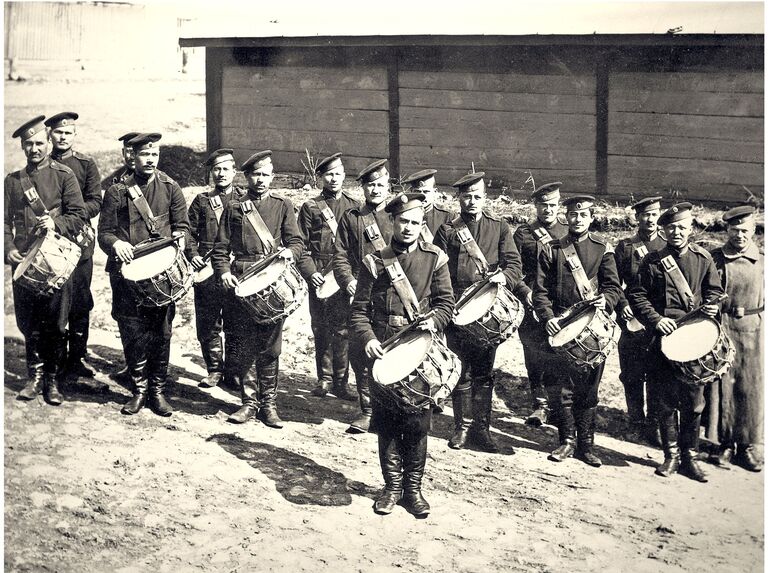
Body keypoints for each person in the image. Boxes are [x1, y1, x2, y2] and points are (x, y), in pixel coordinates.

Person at [349, 192, 455, 517]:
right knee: (386, 422)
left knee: (418, 423)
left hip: (419, 352)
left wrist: (434, 322)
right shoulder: (374, 262)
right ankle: (392, 487)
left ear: (422, 225)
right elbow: (359, 312)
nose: (408, 227)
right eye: (403, 221)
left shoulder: (435, 258)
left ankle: (413, 490)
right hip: (384, 352)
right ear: (393, 222)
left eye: (415, 222)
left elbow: (446, 304)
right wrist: (368, 339)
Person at [628, 202, 723, 482]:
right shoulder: (652, 261)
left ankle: (689, 457)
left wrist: (712, 306)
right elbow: (637, 295)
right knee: (664, 400)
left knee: (694, 402)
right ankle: (670, 456)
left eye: (681, 227)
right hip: (663, 340)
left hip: (694, 340)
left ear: (690, 228)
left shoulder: (703, 258)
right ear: (664, 230)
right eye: (671, 228)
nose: (676, 232)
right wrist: (656, 319)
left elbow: (714, 292)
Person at [211, 150, 305, 428]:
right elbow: (220, 249)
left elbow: (297, 242)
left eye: (265, 175)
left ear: (272, 177)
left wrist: (290, 253)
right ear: (247, 177)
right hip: (242, 281)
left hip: (271, 280)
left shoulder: (283, 205)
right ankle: (249, 403)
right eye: (256, 175)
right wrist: (224, 272)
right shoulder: (234, 208)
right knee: (244, 343)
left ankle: (269, 405)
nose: (261, 179)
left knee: (270, 347)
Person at [98, 132, 190, 417]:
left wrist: (181, 237)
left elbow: (183, 226)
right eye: (145, 154)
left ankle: (157, 392)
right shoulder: (117, 191)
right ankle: (138, 390)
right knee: (132, 331)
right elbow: (104, 233)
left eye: (154, 154)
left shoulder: (170, 187)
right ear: (133, 157)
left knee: (161, 333)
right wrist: (117, 244)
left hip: (160, 276)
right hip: (126, 275)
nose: (150, 159)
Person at [434, 171, 523, 453]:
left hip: (487, 310)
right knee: (461, 370)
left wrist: (503, 277)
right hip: (457, 310)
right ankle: (461, 428)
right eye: (467, 196)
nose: (472, 201)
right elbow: (437, 270)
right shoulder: (447, 230)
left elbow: (514, 265)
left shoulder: (499, 227)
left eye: (477, 196)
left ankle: (481, 430)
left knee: (484, 372)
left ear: (484, 198)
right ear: (459, 198)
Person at [532, 195, 622, 467]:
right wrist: (547, 317)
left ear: (591, 218)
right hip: (562, 327)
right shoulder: (552, 249)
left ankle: (587, 446)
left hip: (592, 327)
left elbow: (614, 287)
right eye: (573, 214)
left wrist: (607, 300)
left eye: (583, 215)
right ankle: (566, 442)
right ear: (566, 216)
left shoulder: (602, 248)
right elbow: (540, 291)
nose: (578, 219)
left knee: (589, 390)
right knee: (562, 389)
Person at [5, 115, 87, 405]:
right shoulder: (13, 181)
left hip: (55, 260)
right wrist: (8, 248)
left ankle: (52, 380)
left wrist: (56, 224)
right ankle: (34, 377)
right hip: (25, 260)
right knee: (29, 322)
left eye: (39, 143)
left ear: (48, 142)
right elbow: (4, 222)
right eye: (29, 144)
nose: (35, 149)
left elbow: (79, 215)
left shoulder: (64, 175)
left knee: (56, 322)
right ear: (22, 147)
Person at [333, 159, 393, 433]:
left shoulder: (398, 214)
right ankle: (368, 411)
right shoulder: (352, 217)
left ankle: (390, 410)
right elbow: (340, 255)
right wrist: (348, 281)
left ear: (388, 186)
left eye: (380, 185)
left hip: (393, 291)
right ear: (364, 188)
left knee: (391, 348)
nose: (375, 190)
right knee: (360, 352)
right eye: (370, 185)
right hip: (361, 292)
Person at [44, 111, 103, 382]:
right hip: (50, 244)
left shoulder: (86, 164)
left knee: (80, 301)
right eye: (58, 132)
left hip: (79, 242)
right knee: (54, 302)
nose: (63, 137)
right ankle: (53, 360)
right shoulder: (42, 166)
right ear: (50, 135)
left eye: (68, 133)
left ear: (75, 135)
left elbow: (95, 201)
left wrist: (72, 214)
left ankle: (77, 358)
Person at [296, 153, 360, 401]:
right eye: (329, 174)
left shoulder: (354, 206)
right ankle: (324, 378)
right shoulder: (311, 207)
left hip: (345, 275)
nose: (334, 179)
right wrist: (311, 273)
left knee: (343, 330)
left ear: (344, 176)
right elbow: (300, 245)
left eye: (338, 174)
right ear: (321, 177)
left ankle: (341, 382)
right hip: (321, 274)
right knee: (321, 327)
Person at [704, 205, 763, 472]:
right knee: (721, 387)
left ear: (753, 230)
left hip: (751, 329)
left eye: (744, 230)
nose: (739, 235)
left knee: (749, 387)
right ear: (727, 230)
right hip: (722, 327)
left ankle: (747, 445)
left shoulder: (762, 260)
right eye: (734, 230)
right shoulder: (715, 258)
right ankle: (724, 443)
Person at [185, 148, 245, 388]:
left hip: (235, 270)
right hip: (207, 269)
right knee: (208, 322)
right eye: (216, 169)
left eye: (225, 169)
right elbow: (188, 232)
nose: (221, 174)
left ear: (234, 171)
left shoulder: (244, 200)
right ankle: (214, 370)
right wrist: (193, 255)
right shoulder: (202, 201)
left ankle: (234, 371)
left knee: (236, 322)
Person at [512, 182, 568, 427]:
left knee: (559, 352)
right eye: (543, 205)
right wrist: (524, 291)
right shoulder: (523, 234)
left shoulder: (567, 231)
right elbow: (513, 268)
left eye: (553, 205)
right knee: (534, 354)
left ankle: (558, 405)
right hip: (531, 301)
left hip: (560, 303)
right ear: (536, 206)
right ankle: (540, 405)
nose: (548, 209)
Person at [613, 196, 667, 445]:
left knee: (657, 374)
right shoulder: (626, 247)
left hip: (659, 320)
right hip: (633, 319)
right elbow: (614, 282)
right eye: (645, 214)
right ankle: (635, 420)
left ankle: (654, 424)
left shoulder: (667, 245)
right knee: (632, 373)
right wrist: (622, 305)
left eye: (654, 214)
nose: (650, 219)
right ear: (637, 218)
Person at [400, 169, 453, 241]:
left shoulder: (448, 216)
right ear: (411, 191)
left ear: (435, 192)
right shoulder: (403, 215)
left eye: (426, 192)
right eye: (417, 191)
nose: (422, 196)